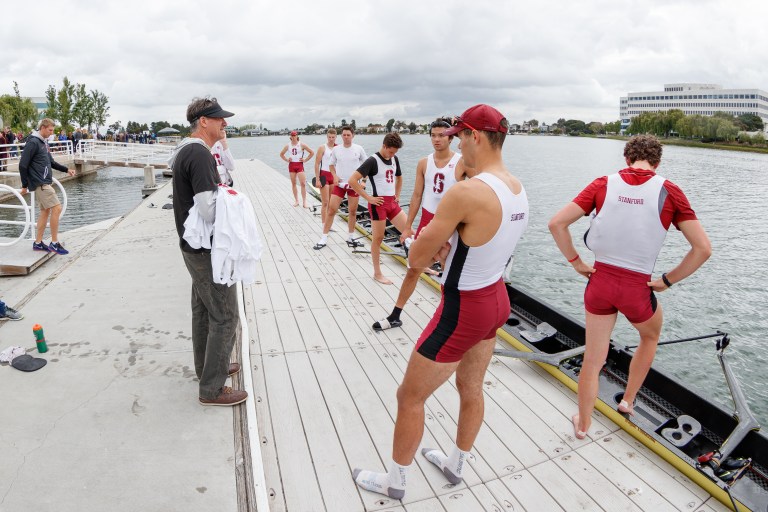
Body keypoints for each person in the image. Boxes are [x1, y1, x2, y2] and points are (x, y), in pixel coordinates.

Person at [353, 104, 528, 500]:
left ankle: (394, 481)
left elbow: (416, 258)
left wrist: (420, 242)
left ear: (475, 137)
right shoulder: (517, 187)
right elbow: (486, 244)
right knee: (471, 387)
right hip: (496, 299)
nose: (455, 144)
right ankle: (455, 463)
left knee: (409, 396)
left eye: (458, 136)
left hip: (462, 307)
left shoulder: (466, 192)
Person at [548, 134, 712, 439]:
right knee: (649, 336)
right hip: (638, 288)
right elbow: (702, 249)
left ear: (626, 159)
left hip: (599, 282)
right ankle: (627, 400)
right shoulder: (670, 191)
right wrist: (666, 281)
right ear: (657, 162)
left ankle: (583, 424)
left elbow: (557, 223)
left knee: (593, 359)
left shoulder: (602, 183)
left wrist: (577, 262)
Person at [169, 96, 247, 407]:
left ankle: (207, 369)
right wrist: (233, 200)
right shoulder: (200, 155)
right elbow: (208, 208)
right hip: (206, 250)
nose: (224, 123)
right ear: (204, 121)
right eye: (219, 118)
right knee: (226, 316)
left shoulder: (185, 150)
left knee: (203, 312)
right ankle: (212, 389)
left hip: (192, 247)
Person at [372, 118, 472, 329]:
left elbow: (475, 194)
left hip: (453, 223)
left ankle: (452, 317)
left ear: (451, 137)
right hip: (429, 221)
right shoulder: (424, 163)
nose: (437, 139)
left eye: (442, 135)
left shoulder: (463, 162)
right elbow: (417, 195)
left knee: (450, 270)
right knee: (414, 269)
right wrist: (408, 226)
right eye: (433, 135)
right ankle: (395, 315)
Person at [348, 133, 408, 284]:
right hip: (378, 204)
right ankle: (377, 273)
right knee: (378, 238)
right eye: (391, 151)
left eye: (395, 152)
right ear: (384, 146)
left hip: (392, 203)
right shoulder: (372, 161)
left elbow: (399, 178)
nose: (393, 155)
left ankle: (415, 264)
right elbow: (352, 180)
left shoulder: (394, 158)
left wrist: (398, 194)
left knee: (409, 232)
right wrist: (368, 198)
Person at [19, 118, 76, 255]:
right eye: (50, 130)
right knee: (57, 208)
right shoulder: (33, 142)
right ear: (43, 128)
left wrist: (66, 169)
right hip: (41, 183)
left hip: (44, 182)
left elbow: (51, 162)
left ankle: (38, 243)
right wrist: (24, 186)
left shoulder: (43, 143)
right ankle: (54, 243)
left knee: (45, 212)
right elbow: (23, 165)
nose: (52, 133)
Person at [313, 126, 367, 250]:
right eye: (344, 135)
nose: (346, 137)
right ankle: (324, 237)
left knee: (352, 211)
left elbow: (366, 166)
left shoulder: (358, 149)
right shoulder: (337, 149)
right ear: (341, 136)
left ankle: (351, 237)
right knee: (331, 210)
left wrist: (363, 181)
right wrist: (334, 175)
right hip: (340, 185)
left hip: (354, 185)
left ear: (353, 136)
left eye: (348, 135)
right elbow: (331, 165)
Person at [279, 131, 314, 207]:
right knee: (294, 183)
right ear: (290, 136)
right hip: (292, 165)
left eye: (295, 135)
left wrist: (305, 160)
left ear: (297, 136)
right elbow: (281, 154)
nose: (293, 137)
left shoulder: (301, 144)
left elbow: (311, 152)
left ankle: (304, 202)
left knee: (303, 184)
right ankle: (297, 201)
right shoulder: (288, 146)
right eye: (292, 135)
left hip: (299, 165)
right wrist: (287, 159)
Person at [313, 128, 337, 226]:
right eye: (329, 137)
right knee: (325, 202)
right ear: (327, 137)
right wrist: (317, 179)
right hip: (324, 176)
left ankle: (329, 225)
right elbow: (317, 164)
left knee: (331, 204)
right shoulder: (322, 148)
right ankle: (324, 225)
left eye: (333, 137)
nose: (331, 139)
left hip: (334, 176)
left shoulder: (338, 148)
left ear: (336, 137)